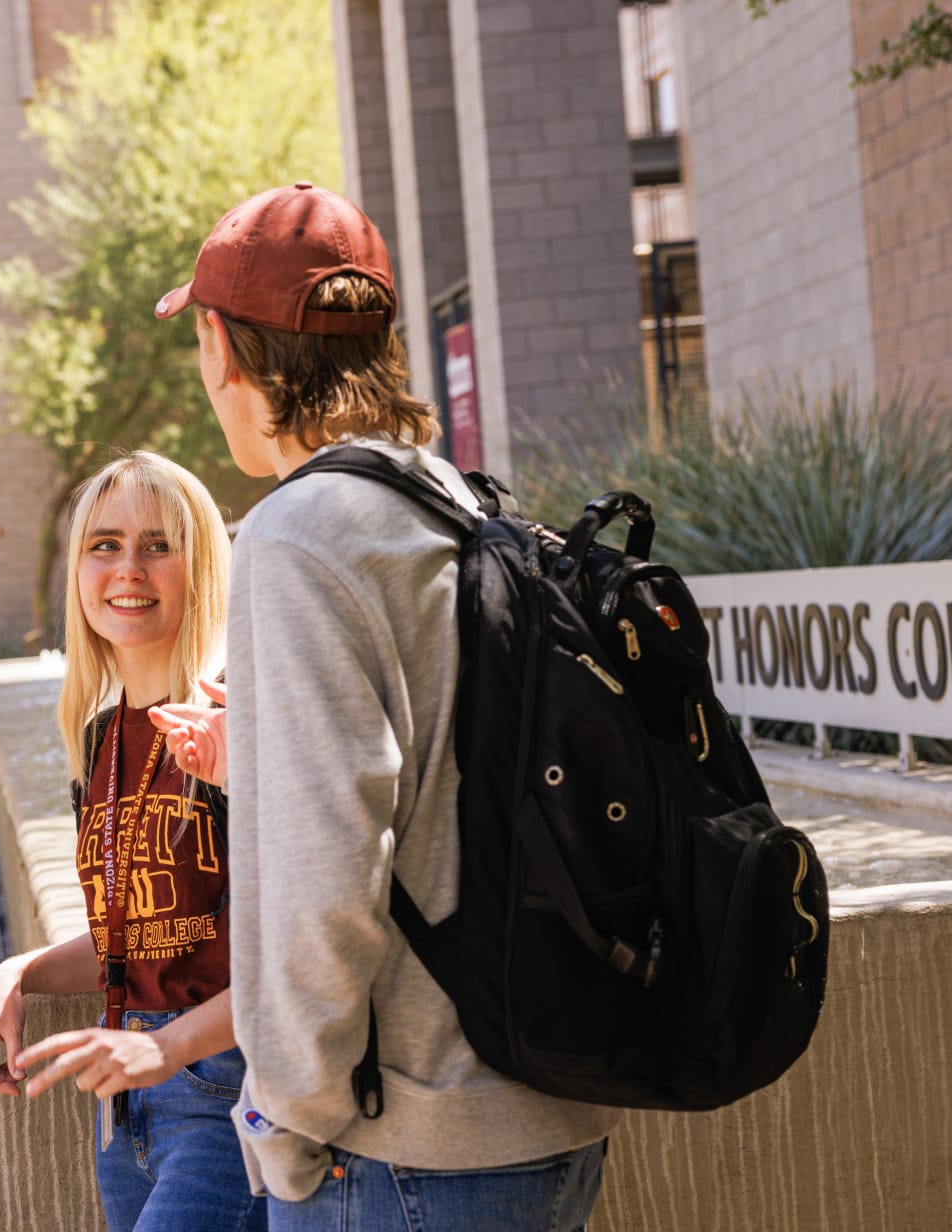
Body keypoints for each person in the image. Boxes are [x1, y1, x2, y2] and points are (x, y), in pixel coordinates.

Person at [149, 183, 620, 1230]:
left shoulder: (296, 534)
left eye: (201, 344)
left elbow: (328, 869)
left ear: (226, 349)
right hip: (548, 1098)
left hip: (402, 1148)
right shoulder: (455, 502)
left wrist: (287, 1117)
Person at [0, 451, 263, 1232]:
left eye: (159, 544)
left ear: (201, 564)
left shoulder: (242, 717)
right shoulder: (100, 740)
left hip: (231, 1096)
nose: (128, 567)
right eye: (104, 544)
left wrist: (168, 1052)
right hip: (124, 1104)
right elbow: (137, 937)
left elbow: (298, 953)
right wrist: (19, 972)